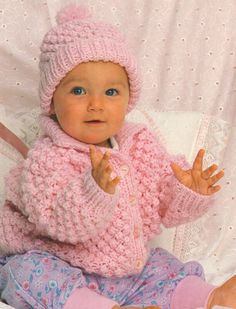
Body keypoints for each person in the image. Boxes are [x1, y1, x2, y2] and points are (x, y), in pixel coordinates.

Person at [0, 4, 235, 309]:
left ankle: (208, 297)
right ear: (51, 101)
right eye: (79, 91)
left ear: (127, 100)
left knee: (161, 266)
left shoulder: (139, 146)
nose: (96, 104)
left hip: (125, 272)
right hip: (65, 266)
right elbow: (59, 221)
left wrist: (187, 190)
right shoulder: (47, 159)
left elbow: (163, 206)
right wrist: (93, 190)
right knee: (26, 274)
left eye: (111, 93)